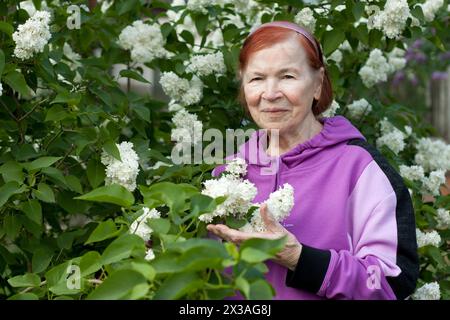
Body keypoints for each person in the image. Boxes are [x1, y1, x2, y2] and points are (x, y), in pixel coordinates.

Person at [206, 21, 419, 300]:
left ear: (317, 83)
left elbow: (393, 281)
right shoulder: (225, 173)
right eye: (256, 78)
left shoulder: (359, 168)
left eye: (288, 76)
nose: (270, 94)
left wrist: (301, 259)